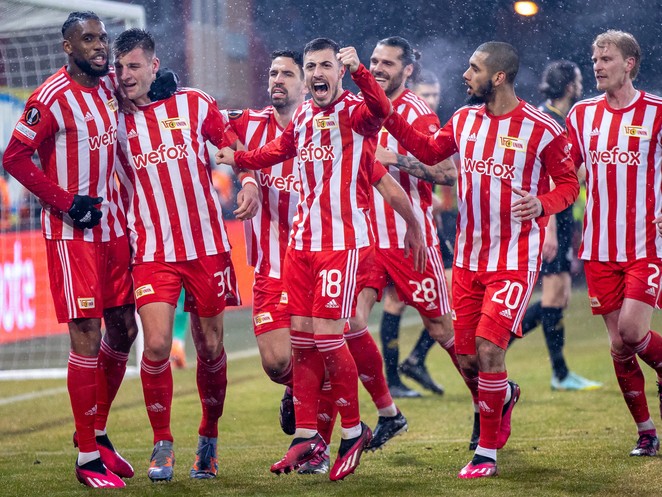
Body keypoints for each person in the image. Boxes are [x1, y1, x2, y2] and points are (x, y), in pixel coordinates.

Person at [383, 41, 579, 478]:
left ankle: (485, 453)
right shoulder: (465, 119)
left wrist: (543, 204)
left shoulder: (542, 128)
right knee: (468, 359)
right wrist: (384, 109)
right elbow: (427, 150)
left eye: (474, 68)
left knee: (490, 350)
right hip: (469, 259)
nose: (465, 75)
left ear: (498, 77)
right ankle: (504, 394)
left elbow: (569, 184)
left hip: (514, 258)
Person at [216, 37, 404, 481]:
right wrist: (241, 160)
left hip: (339, 245)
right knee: (301, 344)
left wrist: (360, 71)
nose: (318, 73)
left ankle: (353, 432)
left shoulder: (356, 112)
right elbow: (278, 150)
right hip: (299, 246)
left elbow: (381, 110)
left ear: (338, 73)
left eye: (325, 66)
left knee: (329, 338)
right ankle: (305, 435)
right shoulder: (302, 116)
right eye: (312, 66)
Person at [112, 28, 258, 482]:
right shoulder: (113, 118)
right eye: (120, 67)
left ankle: (208, 437)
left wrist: (249, 181)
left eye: (134, 66)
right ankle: (162, 441)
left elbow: (232, 145)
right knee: (156, 344)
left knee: (210, 347)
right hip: (151, 250)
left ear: (154, 66)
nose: (125, 75)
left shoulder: (193, 103)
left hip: (206, 247)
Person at [2, 11, 138, 488]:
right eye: (89, 39)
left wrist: (163, 83)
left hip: (112, 227)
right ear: (68, 47)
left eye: (102, 38)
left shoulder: (110, 86)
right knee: (86, 333)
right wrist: (65, 201)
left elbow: (142, 89)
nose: (100, 46)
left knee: (125, 329)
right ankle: (86, 458)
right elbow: (14, 157)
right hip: (71, 233)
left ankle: (97, 432)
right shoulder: (50, 98)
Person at [350, 36, 479, 448]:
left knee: (442, 330)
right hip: (364, 240)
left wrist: (398, 160)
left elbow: (447, 173)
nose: (378, 68)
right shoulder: (356, 107)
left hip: (410, 241)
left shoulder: (416, 112)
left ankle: (488, 403)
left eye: (388, 63)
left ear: (407, 70)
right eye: (374, 61)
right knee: (348, 324)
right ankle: (387, 412)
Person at [568, 30, 662, 457]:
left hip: (645, 244)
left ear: (629, 63)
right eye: (594, 59)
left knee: (632, 331)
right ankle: (646, 432)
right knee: (620, 346)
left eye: (606, 59)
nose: (598, 66)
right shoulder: (582, 114)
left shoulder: (656, 112)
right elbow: (567, 172)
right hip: (598, 247)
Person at [514, 60, 602, 392]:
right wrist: (549, 229)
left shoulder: (554, 117)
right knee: (553, 295)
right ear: (568, 86)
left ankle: (556, 371)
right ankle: (499, 345)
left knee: (560, 297)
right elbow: (548, 178)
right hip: (550, 218)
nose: (581, 85)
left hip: (559, 217)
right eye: (578, 80)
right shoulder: (552, 121)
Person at [377, 68, 454, 399]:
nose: (430, 101)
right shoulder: (399, 119)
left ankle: (408, 367)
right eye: (426, 94)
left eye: (435, 95)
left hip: (429, 225)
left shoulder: (431, 126)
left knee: (419, 303)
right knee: (406, 303)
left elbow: (444, 173)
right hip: (399, 229)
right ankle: (400, 372)